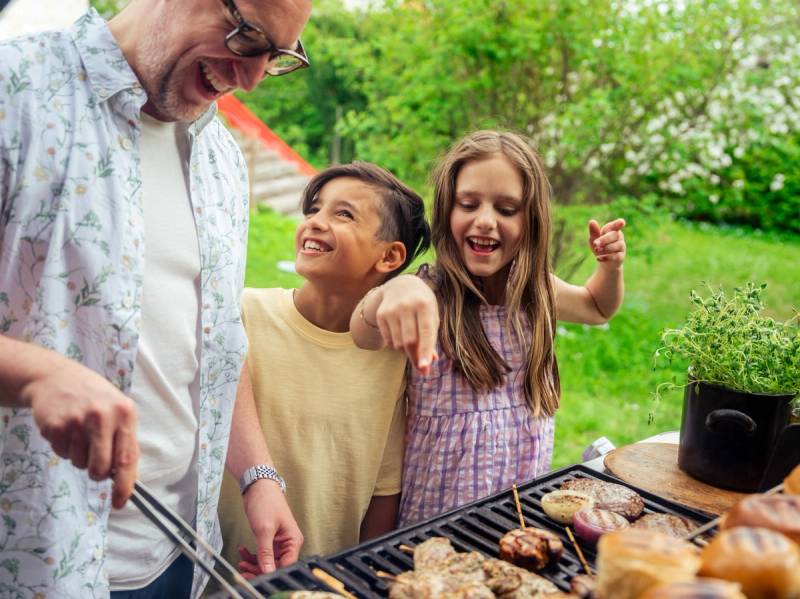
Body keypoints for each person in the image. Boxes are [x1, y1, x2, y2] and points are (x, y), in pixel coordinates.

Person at [0, 0, 310, 596]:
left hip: (181, 555)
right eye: (247, 37)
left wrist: (257, 474)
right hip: (35, 561)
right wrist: (33, 373)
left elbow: (217, 337)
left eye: (274, 57)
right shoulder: (17, 94)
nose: (249, 78)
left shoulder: (221, 156)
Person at [350, 130, 627, 526]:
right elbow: (362, 332)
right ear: (448, 210)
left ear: (531, 220)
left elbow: (598, 307)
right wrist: (395, 289)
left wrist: (610, 268)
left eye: (506, 209)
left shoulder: (534, 292)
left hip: (519, 510)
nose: (485, 221)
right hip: (438, 515)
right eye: (468, 204)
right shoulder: (429, 295)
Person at [218, 162, 431, 575]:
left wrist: (360, 577)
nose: (315, 223)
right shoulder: (244, 312)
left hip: (324, 579)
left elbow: (384, 489)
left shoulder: (391, 358)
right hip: (218, 570)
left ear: (389, 255)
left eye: (343, 214)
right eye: (314, 210)